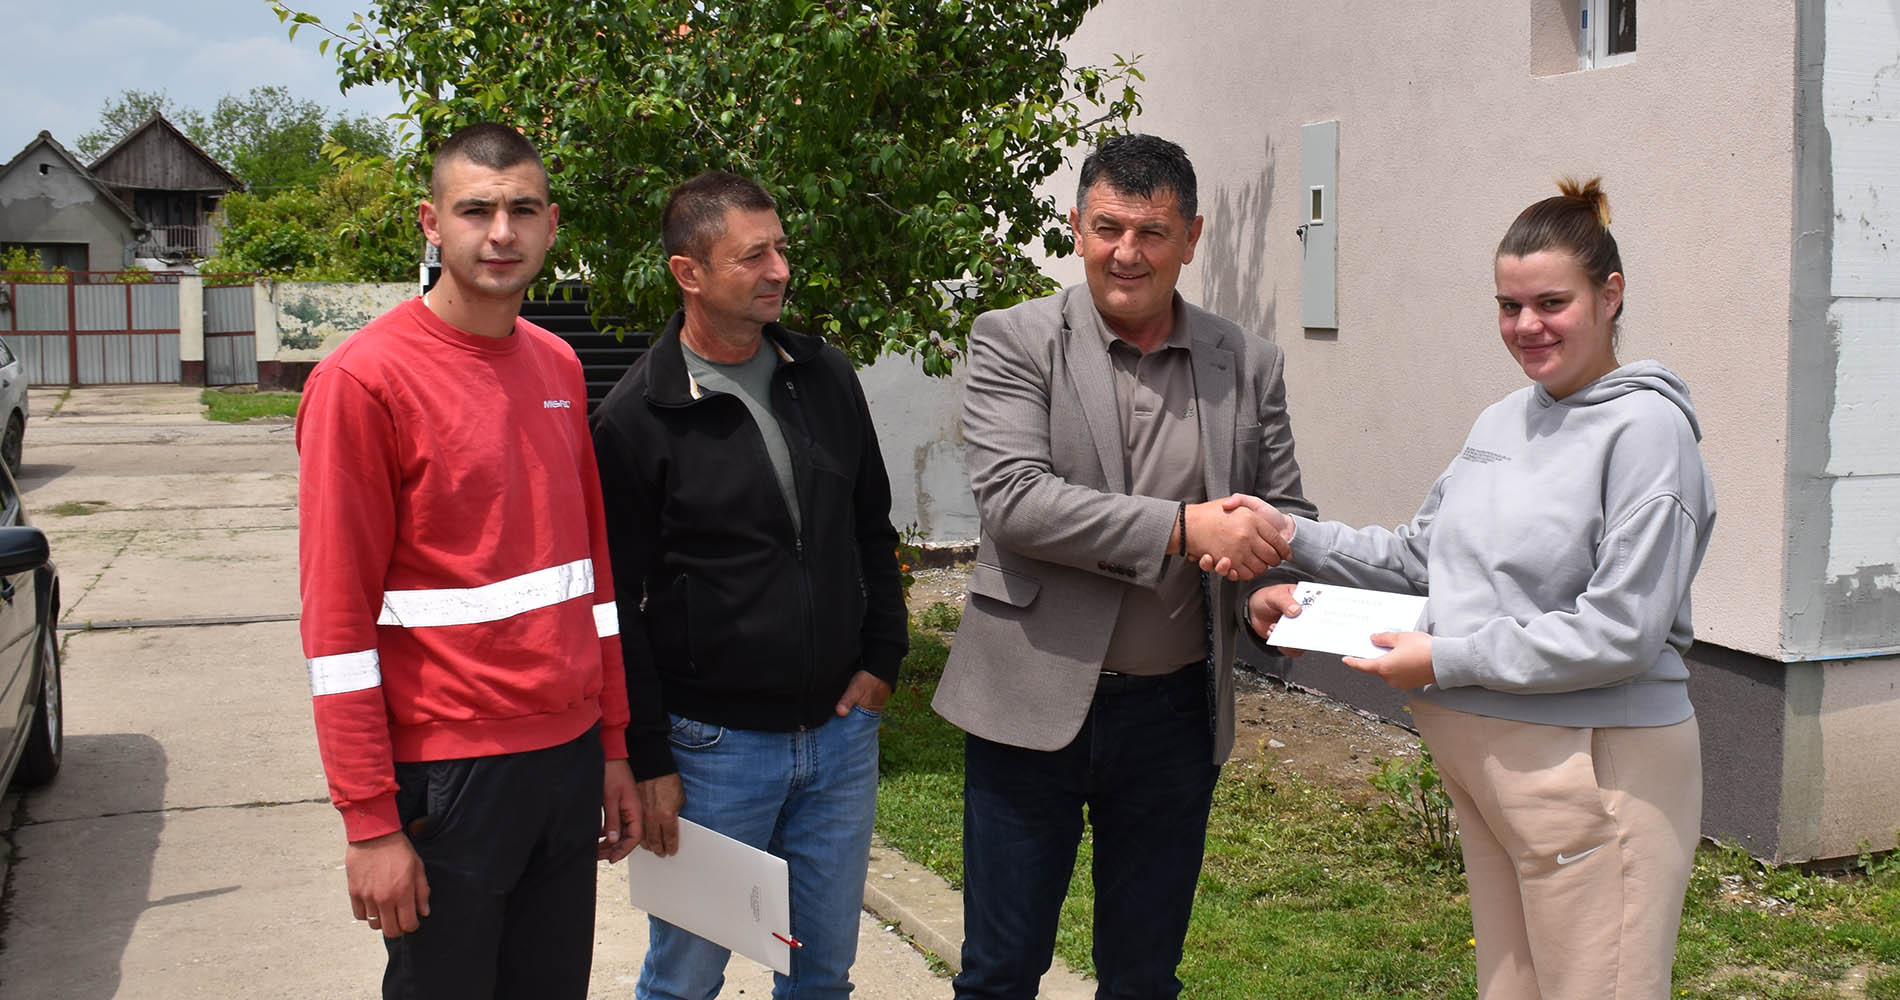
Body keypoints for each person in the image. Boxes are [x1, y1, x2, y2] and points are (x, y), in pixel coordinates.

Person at [1250, 177, 1716, 1000]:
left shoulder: (1648, 432)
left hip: (1596, 768)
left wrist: (1445, 658)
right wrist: (1292, 541)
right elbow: (1421, 557)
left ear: (1610, 296)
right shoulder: (1504, 420)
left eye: (1551, 303)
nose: (1527, 326)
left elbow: (1620, 631)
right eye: (1509, 306)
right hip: (1495, 773)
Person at [932, 133, 1314, 1000]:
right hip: (1028, 702)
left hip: (1174, 716)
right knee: (999, 972)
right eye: (1107, 228)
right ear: (1076, 227)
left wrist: (1267, 593)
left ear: (1192, 238)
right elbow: (1016, 501)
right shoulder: (1015, 339)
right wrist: (1182, 527)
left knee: (1144, 978)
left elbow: (1283, 515)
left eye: (1152, 232)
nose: (1126, 253)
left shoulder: (1247, 362)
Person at [296, 122, 641, 999]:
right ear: (431, 222)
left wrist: (612, 745)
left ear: (551, 225)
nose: (501, 232)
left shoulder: (558, 364)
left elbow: (593, 584)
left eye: (522, 210)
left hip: (567, 761)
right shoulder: (363, 382)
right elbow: (336, 626)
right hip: (447, 778)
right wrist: (371, 821)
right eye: (476, 210)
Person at [590, 170, 908, 1000]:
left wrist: (884, 657)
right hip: (712, 753)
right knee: (685, 981)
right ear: (688, 273)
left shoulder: (825, 375)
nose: (780, 271)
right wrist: (648, 755)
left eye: (781, 249)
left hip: (839, 739)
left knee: (822, 976)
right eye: (753, 255)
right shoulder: (636, 418)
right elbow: (615, 606)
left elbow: (871, 528)